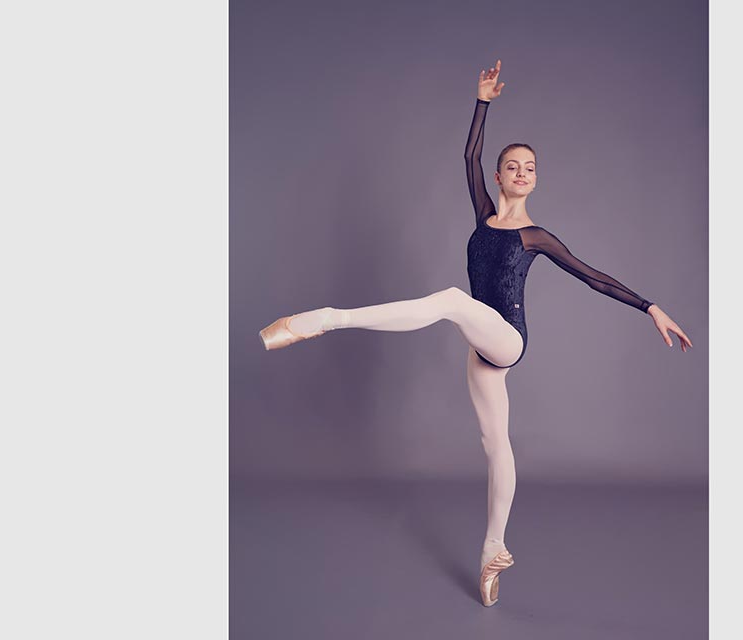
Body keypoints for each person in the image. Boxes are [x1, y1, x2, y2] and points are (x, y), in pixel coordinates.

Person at [258, 58, 693, 607]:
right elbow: (469, 156)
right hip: (480, 347)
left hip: (508, 338)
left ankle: (325, 318)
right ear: (499, 176)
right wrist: (481, 101)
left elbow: (592, 277)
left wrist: (650, 307)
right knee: (496, 445)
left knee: (449, 300)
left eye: (529, 167)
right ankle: (493, 550)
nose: (521, 172)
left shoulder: (536, 236)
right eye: (512, 166)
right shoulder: (483, 214)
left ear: (536, 179)